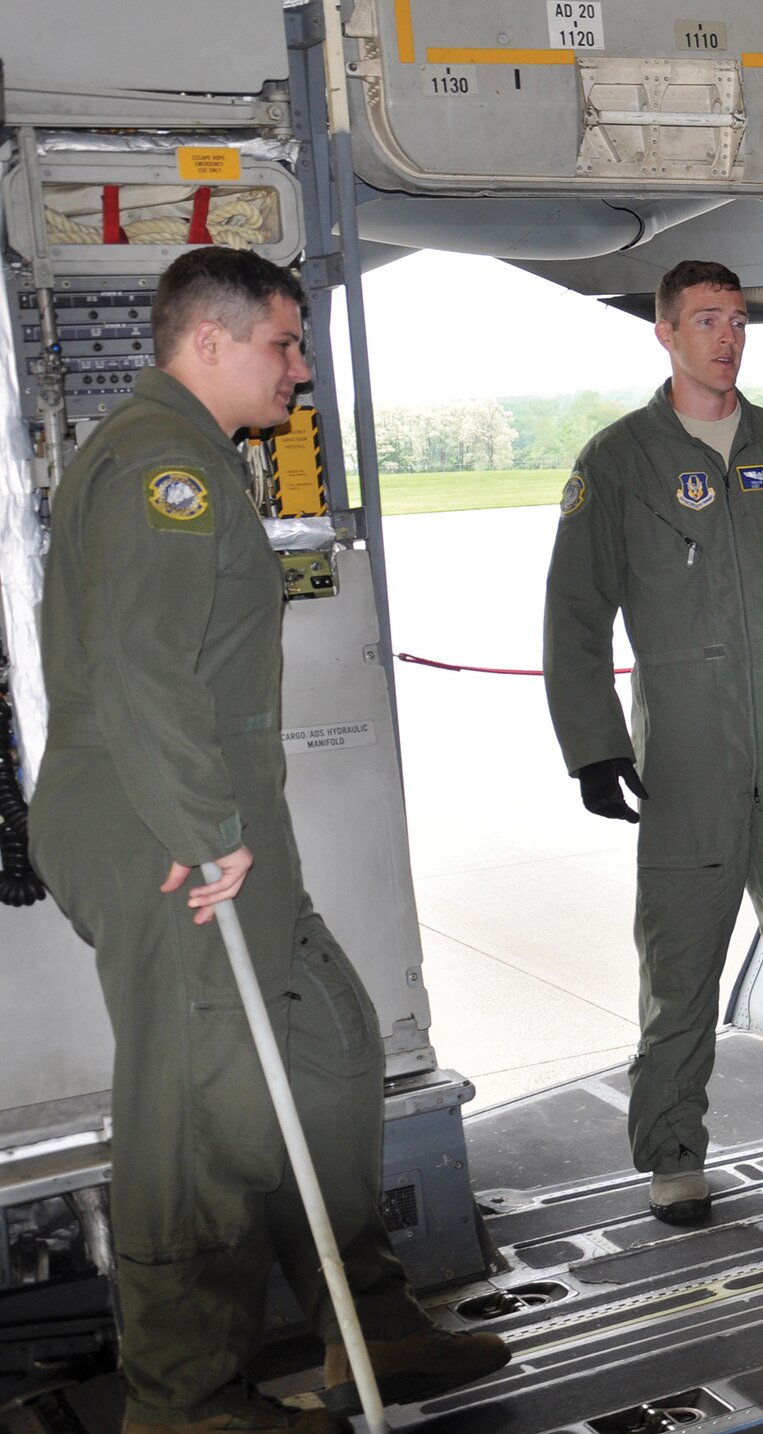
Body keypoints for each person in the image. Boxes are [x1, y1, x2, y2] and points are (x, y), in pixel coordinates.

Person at [29, 246, 507, 1433]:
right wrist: (203, 834)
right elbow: (144, 676)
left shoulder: (194, 459)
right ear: (210, 341)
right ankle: (183, 1400)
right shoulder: (160, 471)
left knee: (329, 1053)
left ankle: (367, 1326)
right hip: (167, 836)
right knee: (195, 1116)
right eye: (285, 345)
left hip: (225, 830)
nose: (301, 370)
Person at [543, 259, 763, 1225]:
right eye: (705, 320)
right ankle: (672, 1149)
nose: (726, 337)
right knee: (682, 948)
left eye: (738, 320)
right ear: (664, 332)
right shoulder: (620, 463)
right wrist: (594, 744)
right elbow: (575, 613)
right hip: (686, 731)